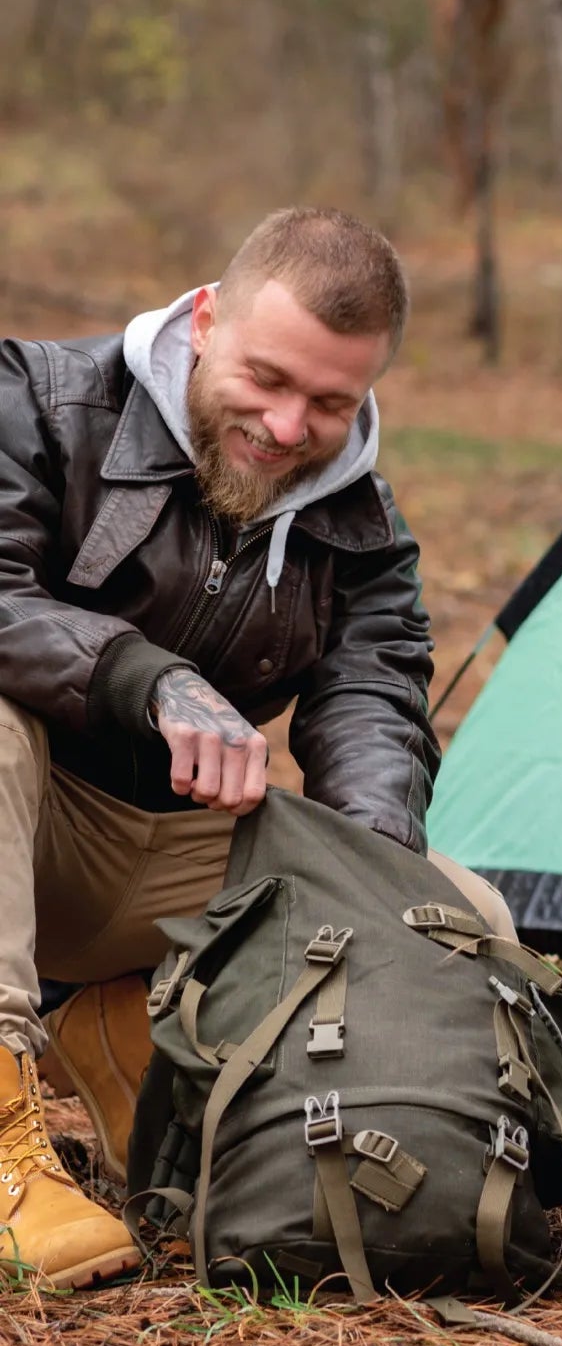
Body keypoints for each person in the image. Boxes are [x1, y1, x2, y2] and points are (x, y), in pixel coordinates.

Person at [0, 206, 514, 1288]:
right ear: (205, 318)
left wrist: (371, 876)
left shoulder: (362, 528)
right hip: (32, 835)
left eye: (331, 402)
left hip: (178, 873)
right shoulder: (38, 402)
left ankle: (146, 1037)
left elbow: (374, 704)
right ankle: (4, 1147)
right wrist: (149, 677)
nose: (287, 428)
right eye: (267, 380)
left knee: (461, 913)